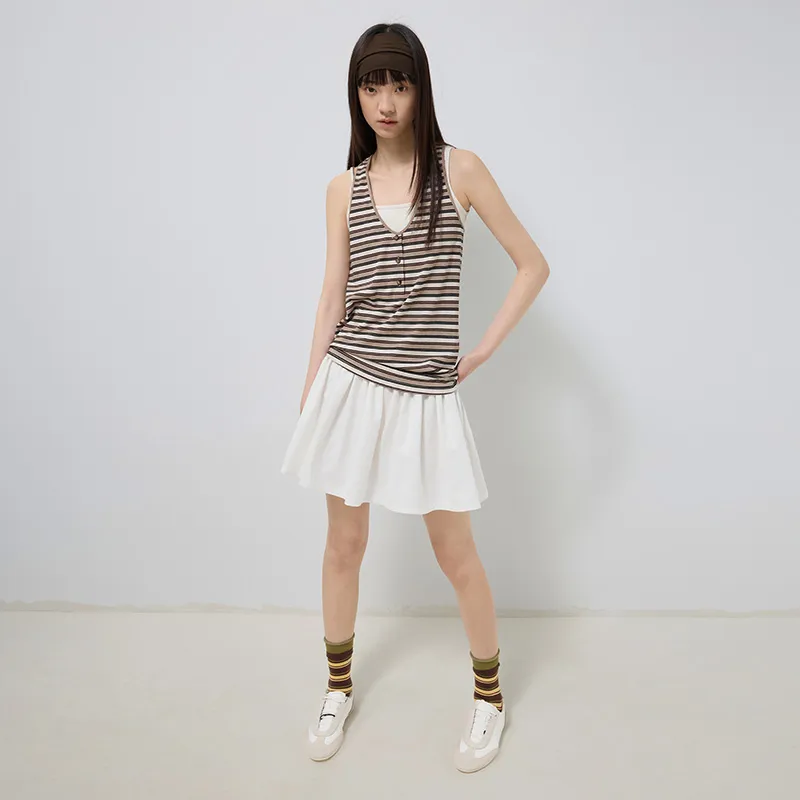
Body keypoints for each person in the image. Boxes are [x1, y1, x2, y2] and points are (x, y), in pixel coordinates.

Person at [280, 23, 550, 773]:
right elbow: (331, 296)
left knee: (454, 552)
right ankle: (337, 687)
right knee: (344, 545)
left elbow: (532, 264)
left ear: (421, 89)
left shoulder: (460, 170)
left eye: (400, 84)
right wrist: (311, 390)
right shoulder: (343, 188)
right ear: (356, 95)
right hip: (351, 382)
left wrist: (482, 348)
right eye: (373, 86)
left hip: (425, 395)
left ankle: (489, 697)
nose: (387, 102)